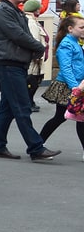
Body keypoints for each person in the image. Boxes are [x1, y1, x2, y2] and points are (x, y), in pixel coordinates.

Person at [0, 0, 61, 161]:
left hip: (15, 64)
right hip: (9, 65)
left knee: (8, 108)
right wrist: (39, 48)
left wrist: (35, 48)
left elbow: (25, 34)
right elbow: (18, 35)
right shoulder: (4, 11)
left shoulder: (14, 10)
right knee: (22, 107)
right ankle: (36, 148)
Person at [39, 15, 84, 158]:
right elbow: (66, 68)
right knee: (61, 117)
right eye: (81, 27)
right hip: (68, 86)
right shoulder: (67, 44)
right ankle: (37, 145)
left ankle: (38, 144)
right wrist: (75, 88)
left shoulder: (75, 42)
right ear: (70, 29)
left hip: (76, 85)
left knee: (77, 118)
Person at [23, 0, 48, 112]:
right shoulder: (31, 22)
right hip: (34, 58)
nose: (40, 10)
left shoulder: (33, 20)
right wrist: (37, 55)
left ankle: (29, 101)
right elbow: (34, 39)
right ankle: (28, 102)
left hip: (35, 56)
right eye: (38, 8)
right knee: (32, 81)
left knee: (33, 81)